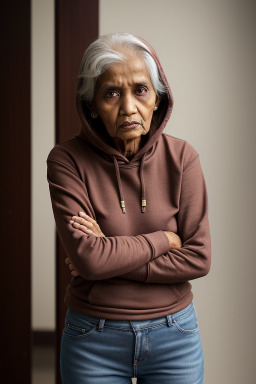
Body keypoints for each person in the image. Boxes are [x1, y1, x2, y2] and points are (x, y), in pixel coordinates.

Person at [47, 33, 211, 384]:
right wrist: (165, 239)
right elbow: (90, 260)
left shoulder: (183, 158)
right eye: (111, 93)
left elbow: (198, 258)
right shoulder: (66, 160)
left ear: (157, 98)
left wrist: (107, 256)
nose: (128, 107)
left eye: (140, 90)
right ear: (91, 105)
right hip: (93, 337)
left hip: (175, 336)